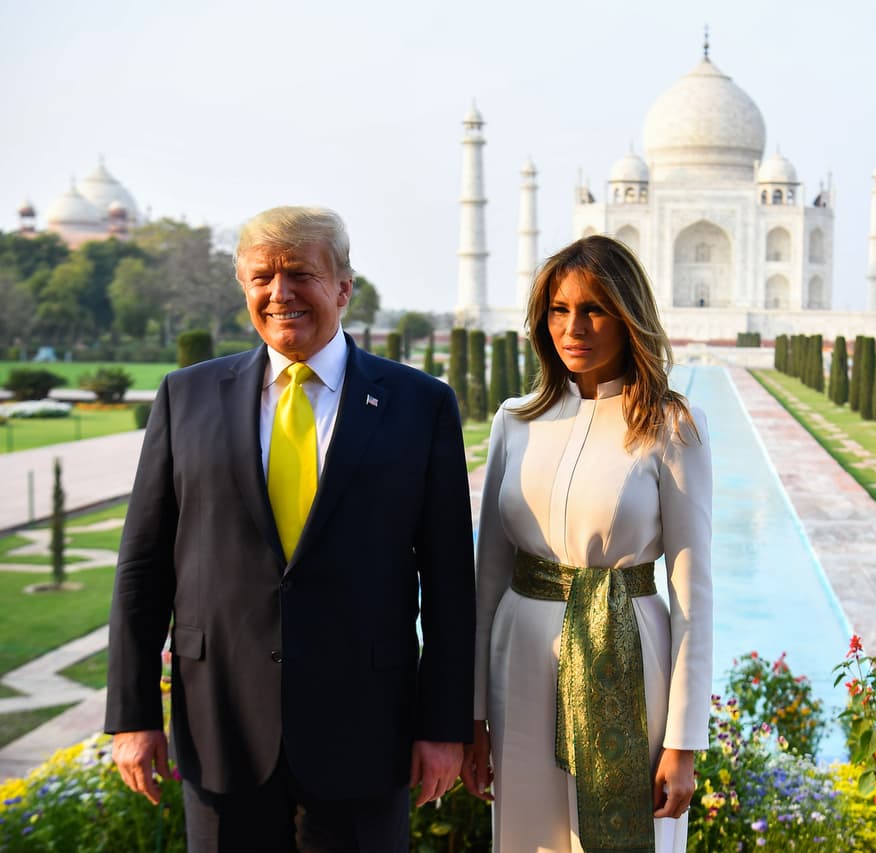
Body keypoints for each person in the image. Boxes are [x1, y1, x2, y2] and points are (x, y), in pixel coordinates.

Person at [105, 206, 476, 851]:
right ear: (244, 287)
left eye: (301, 273)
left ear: (344, 287)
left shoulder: (419, 405)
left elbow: (449, 583)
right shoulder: (186, 397)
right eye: (262, 277)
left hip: (365, 730)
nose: (280, 293)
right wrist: (133, 715)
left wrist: (443, 727)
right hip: (221, 725)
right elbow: (143, 566)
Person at [462, 235, 713, 852]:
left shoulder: (670, 425)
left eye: (594, 309)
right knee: (527, 833)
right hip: (520, 659)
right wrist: (473, 716)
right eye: (559, 309)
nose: (573, 328)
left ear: (628, 317)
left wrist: (683, 741)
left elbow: (693, 594)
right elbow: (487, 579)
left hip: (627, 655)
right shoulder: (516, 420)